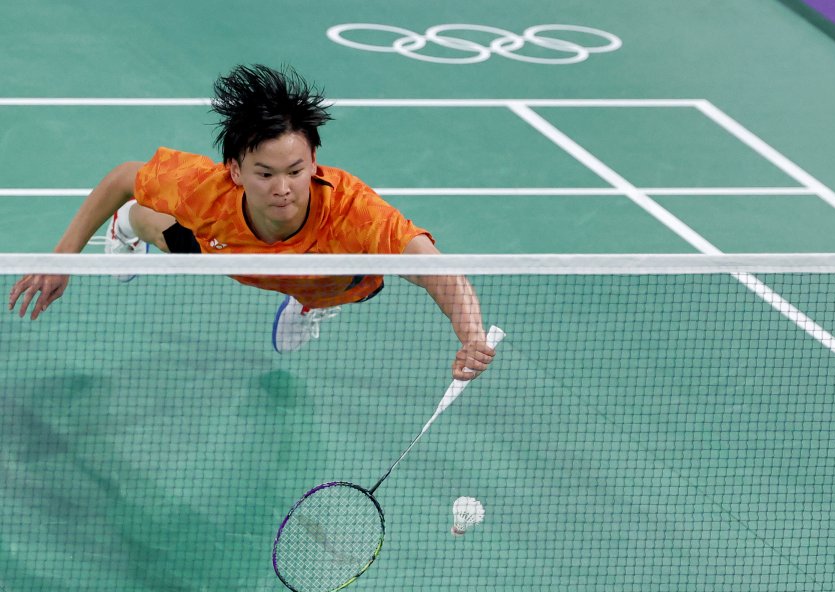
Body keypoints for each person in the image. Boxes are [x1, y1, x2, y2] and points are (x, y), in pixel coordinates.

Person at [8, 64, 495, 380]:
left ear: (315, 160)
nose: (282, 187)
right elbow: (122, 177)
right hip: (229, 251)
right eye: (264, 174)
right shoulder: (207, 191)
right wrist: (62, 259)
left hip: (324, 268)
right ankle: (131, 225)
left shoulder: (353, 212)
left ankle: (307, 303)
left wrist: (471, 335)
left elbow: (437, 269)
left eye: (296, 171)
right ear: (236, 171)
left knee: (361, 282)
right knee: (175, 239)